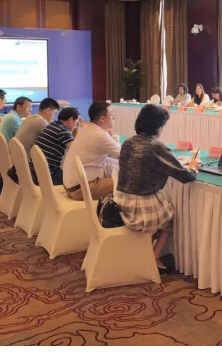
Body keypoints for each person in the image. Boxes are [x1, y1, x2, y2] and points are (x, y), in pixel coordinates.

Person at [115, 105, 198, 272]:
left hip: (120, 202)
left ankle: (143, 250)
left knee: (162, 208)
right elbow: (186, 176)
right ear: (158, 126)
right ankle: (154, 256)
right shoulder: (156, 147)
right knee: (169, 220)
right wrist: (194, 167)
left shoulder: (127, 143)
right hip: (139, 208)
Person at [63, 102, 121, 201]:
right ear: (102, 118)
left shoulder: (86, 130)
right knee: (127, 182)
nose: (114, 117)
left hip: (70, 186)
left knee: (114, 168)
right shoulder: (100, 135)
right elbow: (125, 155)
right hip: (81, 189)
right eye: (111, 115)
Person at [34, 107, 81, 185]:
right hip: (48, 174)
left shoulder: (53, 125)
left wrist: (76, 127)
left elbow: (71, 142)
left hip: (35, 170)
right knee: (77, 180)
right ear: (70, 120)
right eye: (76, 123)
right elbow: (75, 149)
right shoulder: (62, 131)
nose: (76, 126)